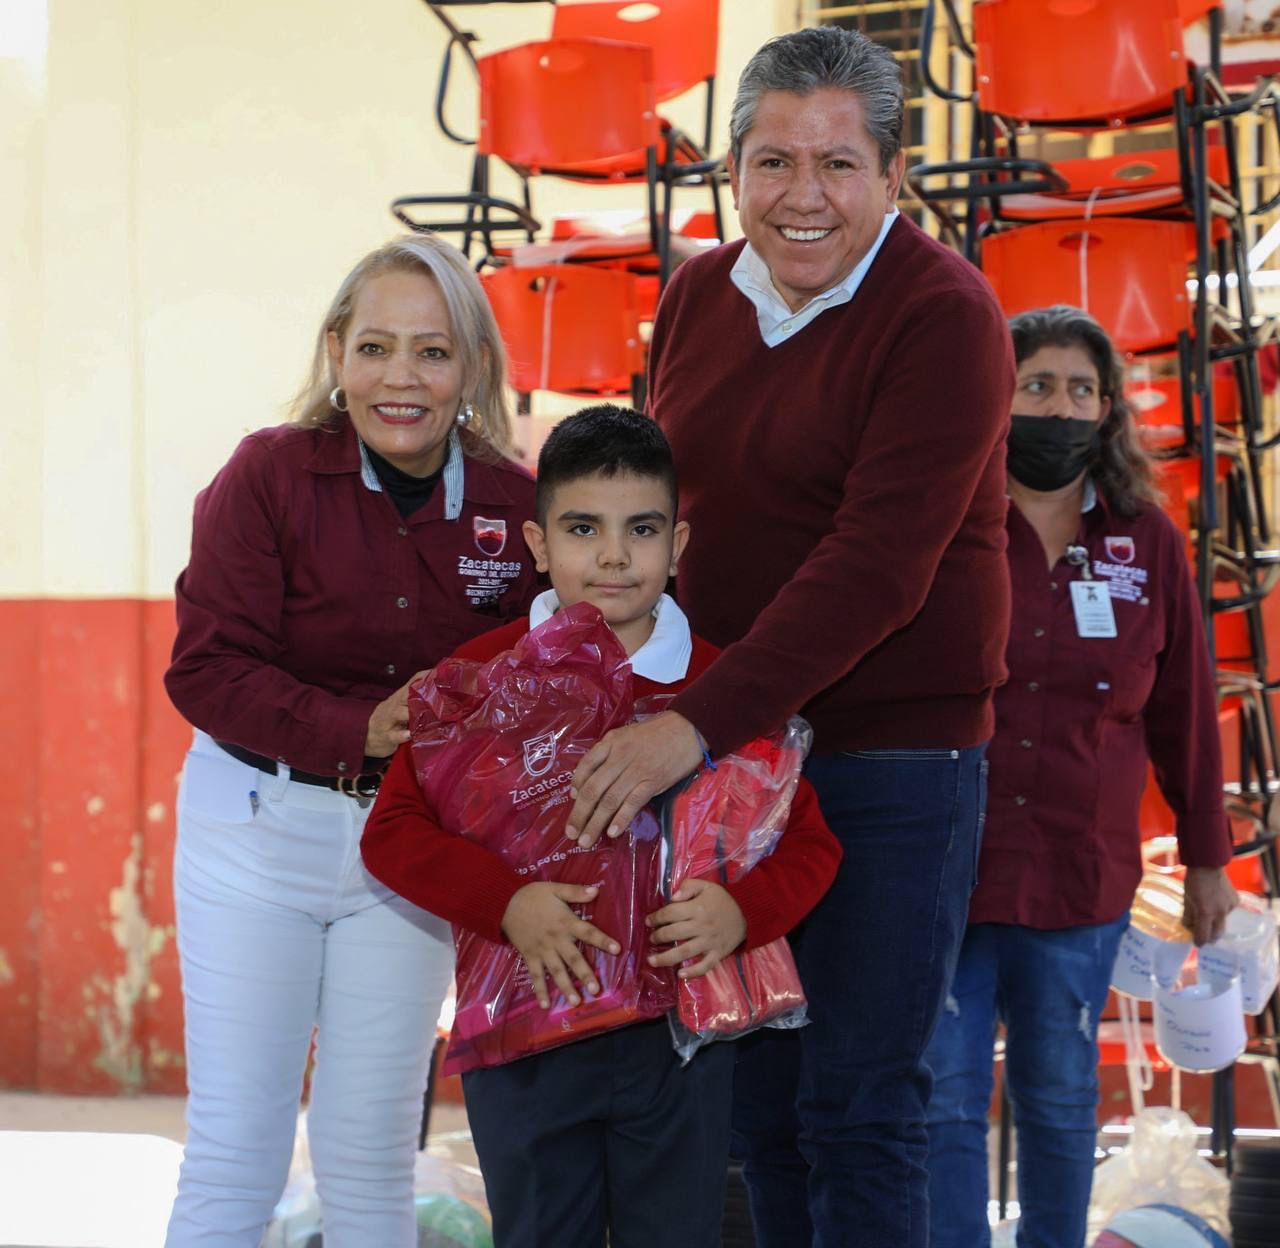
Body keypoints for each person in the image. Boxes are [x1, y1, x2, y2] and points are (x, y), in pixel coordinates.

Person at [560, 27, 1014, 1248]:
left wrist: (687, 729)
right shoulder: (697, 295)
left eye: (836, 163)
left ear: (893, 175)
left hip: (887, 765)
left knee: (859, 1108)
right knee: (753, 1103)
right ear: (731, 172)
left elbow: (875, 566)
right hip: (735, 762)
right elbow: (658, 517)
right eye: (771, 162)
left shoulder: (945, 316)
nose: (801, 195)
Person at [360, 405, 843, 1248]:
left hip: (679, 1047)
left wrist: (740, 916)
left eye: (641, 529)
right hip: (525, 1033)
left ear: (677, 546)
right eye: (583, 528)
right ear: (539, 544)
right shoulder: (481, 676)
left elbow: (810, 844)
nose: (614, 556)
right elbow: (392, 832)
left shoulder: (724, 689)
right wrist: (507, 904)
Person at [162, 233, 541, 1247]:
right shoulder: (267, 474)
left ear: (473, 364)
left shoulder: (518, 504)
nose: (400, 378)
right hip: (255, 834)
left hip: (408, 854)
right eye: (375, 347)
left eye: (432, 351)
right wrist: (360, 729)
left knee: (370, 1154)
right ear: (337, 352)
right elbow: (204, 670)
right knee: (237, 1152)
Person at [923, 305, 1237, 1248]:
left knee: (1060, 1095)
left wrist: (1210, 860)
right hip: (945, 870)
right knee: (943, 1095)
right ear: (996, 397)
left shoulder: (1149, 541)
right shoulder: (943, 524)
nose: (1060, 408)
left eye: (1080, 390)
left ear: (1107, 410)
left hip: (1079, 873)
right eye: (1037, 386)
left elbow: (1185, 707)